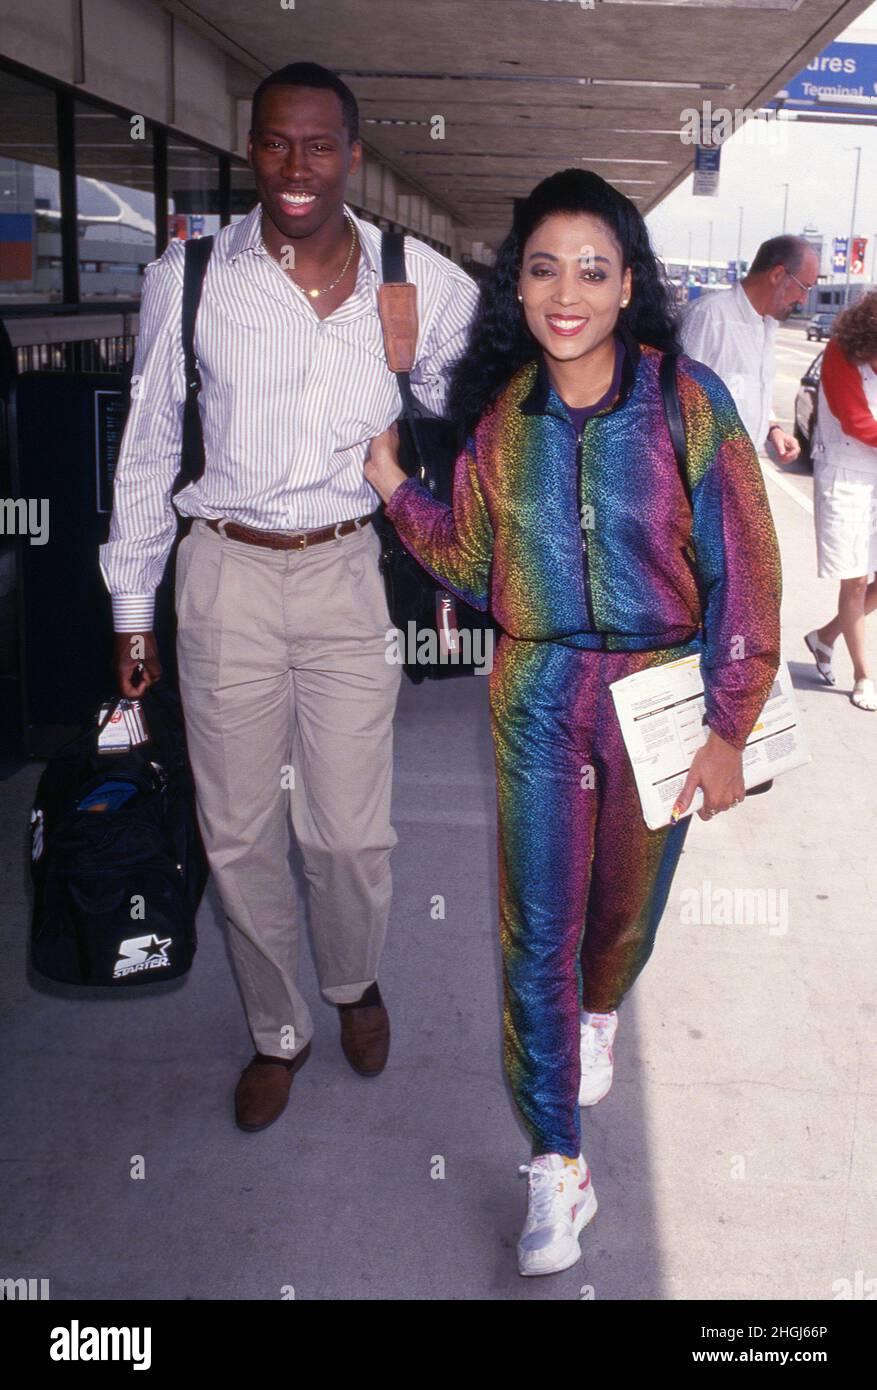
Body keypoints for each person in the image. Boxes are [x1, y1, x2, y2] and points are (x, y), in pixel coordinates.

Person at [365, 169, 782, 1278]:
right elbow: (473, 566)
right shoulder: (505, 419)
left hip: (658, 694)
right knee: (531, 931)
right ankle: (556, 1164)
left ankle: (604, 1003)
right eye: (544, 266)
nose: (567, 291)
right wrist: (400, 492)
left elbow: (744, 564)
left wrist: (730, 722)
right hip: (538, 696)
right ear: (520, 283)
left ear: (628, 284)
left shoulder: (686, 401)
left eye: (592, 269)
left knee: (620, 915)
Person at [98, 63, 478, 1131]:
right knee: (235, 828)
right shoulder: (191, 277)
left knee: (349, 834)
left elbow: (492, 397)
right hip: (222, 570)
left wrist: (429, 394)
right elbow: (147, 447)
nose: (297, 166)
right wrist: (133, 604)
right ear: (250, 149)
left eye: (319, 145)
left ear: (352, 153)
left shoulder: (415, 276)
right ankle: (277, 1027)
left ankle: (352, 981)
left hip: (346, 569)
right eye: (276, 143)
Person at [680, 234, 820, 461]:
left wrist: (772, 427)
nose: (804, 300)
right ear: (777, 275)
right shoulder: (710, 316)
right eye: (804, 287)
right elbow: (679, 400)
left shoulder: (767, 325)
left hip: (743, 469)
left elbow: (744, 391)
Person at [805, 292, 877, 711]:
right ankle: (864, 675)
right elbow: (855, 420)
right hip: (847, 474)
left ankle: (825, 637)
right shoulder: (841, 351)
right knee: (854, 577)